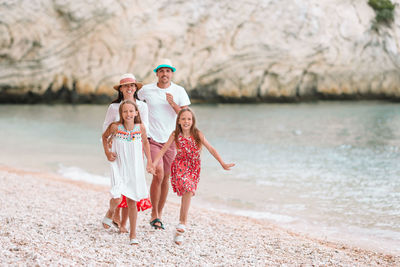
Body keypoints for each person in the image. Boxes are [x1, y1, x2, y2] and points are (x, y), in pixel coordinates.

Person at [152, 108, 235, 245]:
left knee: (188, 191)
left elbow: (211, 149)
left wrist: (222, 163)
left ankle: (180, 229)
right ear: (178, 120)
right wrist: (153, 164)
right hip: (179, 166)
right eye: (183, 119)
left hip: (193, 168)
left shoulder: (197, 134)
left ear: (193, 121)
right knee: (186, 187)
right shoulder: (175, 134)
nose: (186, 121)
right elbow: (163, 150)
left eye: (189, 119)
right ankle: (182, 223)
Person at [137, 59, 191, 230]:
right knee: (158, 173)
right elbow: (133, 102)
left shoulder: (179, 91)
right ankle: (154, 213)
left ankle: (158, 214)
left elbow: (186, 116)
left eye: (168, 71)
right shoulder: (147, 90)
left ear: (171, 74)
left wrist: (173, 104)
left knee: (166, 177)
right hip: (152, 138)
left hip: (171, 141)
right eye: (161, 71)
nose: (165, 74)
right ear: (157, 74)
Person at [101, 100, 154, 245]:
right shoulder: (115, 127)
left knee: (132, 200)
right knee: (117, 198)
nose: (128, 114)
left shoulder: (141, 127)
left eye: (131, 111)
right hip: (118, 165)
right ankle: (111, 212)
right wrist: (107, 152)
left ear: (137, 112)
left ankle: (133, 234)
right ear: (121, 114)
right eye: (125, 111)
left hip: (134, 167)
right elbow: (104, 137)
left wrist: (149, 161)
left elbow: (145, 143)